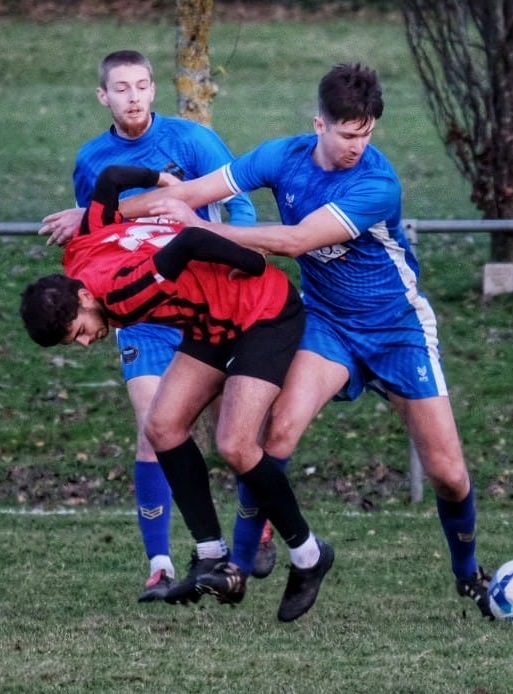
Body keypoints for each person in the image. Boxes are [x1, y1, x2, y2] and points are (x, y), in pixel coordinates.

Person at [120, 63, 494, 618]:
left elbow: (294, 241)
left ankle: (469, 576)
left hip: (398, 330)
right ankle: (240, 568)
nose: (357, 146)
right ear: (319, 123)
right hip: (328, 323)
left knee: (447, 472)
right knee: (278, 433)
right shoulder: (282, 156)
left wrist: (202, 231)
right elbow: (194, 191)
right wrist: (94, 215)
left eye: (366, 134)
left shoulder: (377, 182)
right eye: (347, 134)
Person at [21, 165, 334, 623]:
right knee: (164, 426)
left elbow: (189, 242)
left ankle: (309, 556)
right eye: (76, 342)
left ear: (86, 298)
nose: (87, 342)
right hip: (212, 320)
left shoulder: (121, 295)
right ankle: (210, 554)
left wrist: (252, 264)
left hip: (261, 311)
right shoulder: (80, 252)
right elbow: (109, 181)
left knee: (235, 444)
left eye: (81, 332)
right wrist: (160, 180)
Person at [38, 50, 276, 601]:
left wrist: (229, 258)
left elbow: (237, 205)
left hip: (205, 297)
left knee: (232, 433)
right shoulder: (92, 159)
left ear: (153, 89)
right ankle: (160, 562)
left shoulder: (191, 140)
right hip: (141, 312)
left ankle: (254, 525)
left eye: (142, 85)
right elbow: (97, 232)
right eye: (120, 88)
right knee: (155, 430)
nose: (133, 97)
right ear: (103, 97)